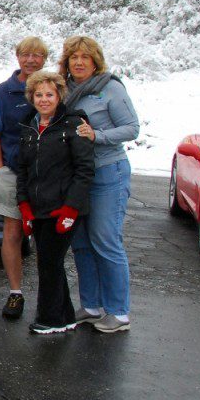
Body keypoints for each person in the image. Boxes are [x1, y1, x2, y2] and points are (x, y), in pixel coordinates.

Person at [60, 36, 139, 334]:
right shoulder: (64, 89)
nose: (79, 62)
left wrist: (98, 136)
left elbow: (131, 128)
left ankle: (118, 312)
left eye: (85, 57)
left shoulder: (110, 88)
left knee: (105, 239)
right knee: (80, 242)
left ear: (96, 61)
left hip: (108, 171)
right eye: (74, 57)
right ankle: (91, 305)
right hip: (77, 176)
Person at [15, 71, 94, 334]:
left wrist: (71, 208)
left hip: (62, 207)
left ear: (59, 95)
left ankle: (49, 318)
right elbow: (23, 170)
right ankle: (65, 315)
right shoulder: (29, 126)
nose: (44, 99)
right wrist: (24, 205)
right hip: (38, 208)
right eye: (39, 94)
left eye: (49, 94)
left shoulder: (74, 124)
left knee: (49, 262)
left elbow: (85, 170)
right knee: (50, 261)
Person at [0, 37, 48, 319]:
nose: (31, 60)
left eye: (37, 55)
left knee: (48, 235)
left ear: (45, 59)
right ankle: (15, 293)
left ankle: (50, 296)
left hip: (49, 176)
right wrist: (0, 171)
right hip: (13, 173)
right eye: (26, 54)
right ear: (17, 57)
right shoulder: (2, 93)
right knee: (12, 232)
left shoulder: (53, 88)